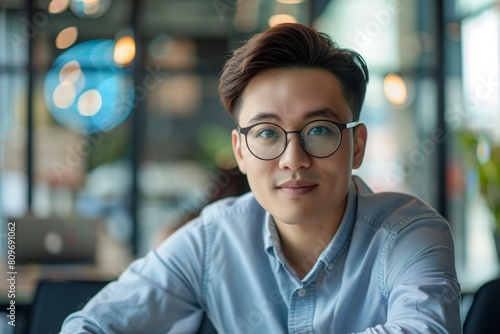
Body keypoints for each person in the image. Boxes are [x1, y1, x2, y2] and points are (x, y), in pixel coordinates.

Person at [61, 23, 461, 333]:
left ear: (356, 146)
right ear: (240, 152)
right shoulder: (214, 239)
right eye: (267, 134)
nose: (294, 160)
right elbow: (91, 324)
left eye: (319, 130)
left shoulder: (408, 232)